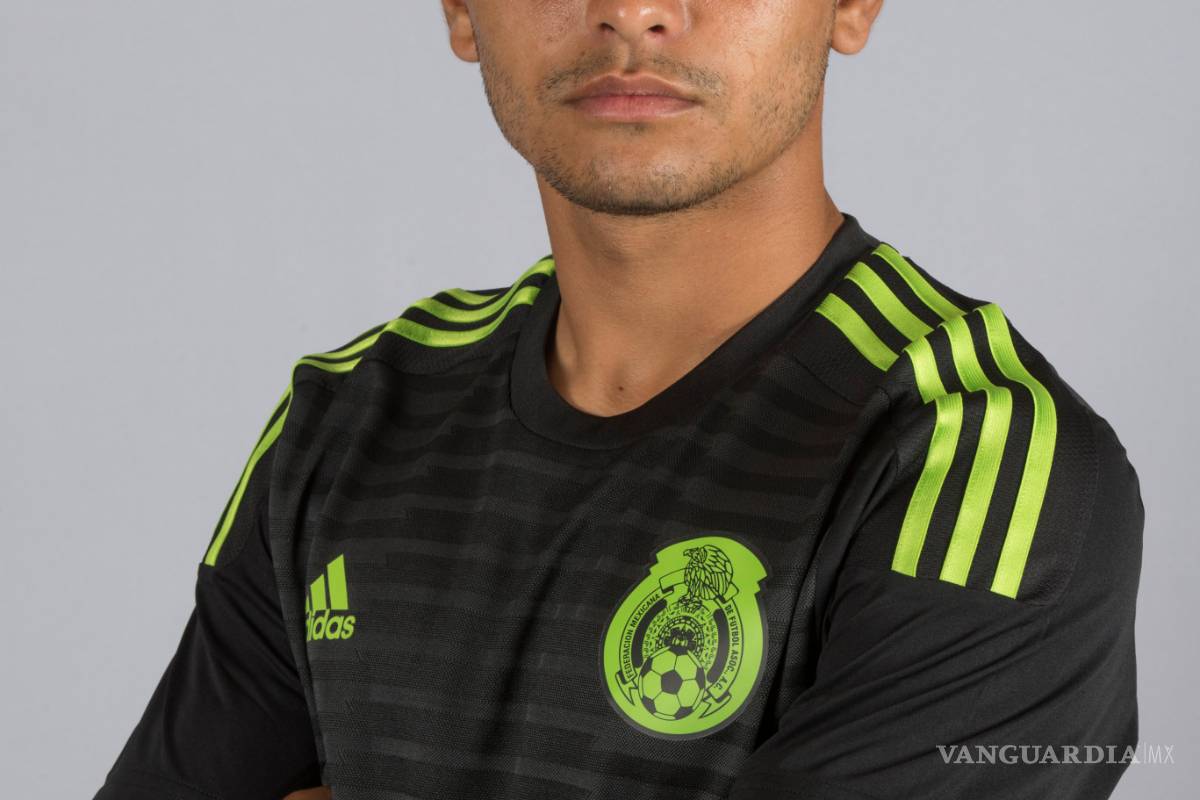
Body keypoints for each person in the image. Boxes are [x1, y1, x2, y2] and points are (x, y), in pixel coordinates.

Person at [93, 1, 1144, 798]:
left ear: (852, 4)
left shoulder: (986, 464)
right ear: (460, 9)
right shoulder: (347, 414)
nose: (632, 11)